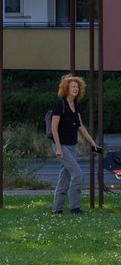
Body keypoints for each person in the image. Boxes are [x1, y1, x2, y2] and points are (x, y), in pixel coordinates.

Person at [50, 74, 102, 215]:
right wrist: (59, 148)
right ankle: (75, 208)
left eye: (77, 87)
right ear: (66, 88)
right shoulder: (59, 104)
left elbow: (80, 126)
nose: (75, 89)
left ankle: (57, 209)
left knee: (64, 177)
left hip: (72, 145)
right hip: (61, 145)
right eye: (73, 86)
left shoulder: (77, 104)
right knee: (77, 173)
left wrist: (92, 143)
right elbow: (54, 128)